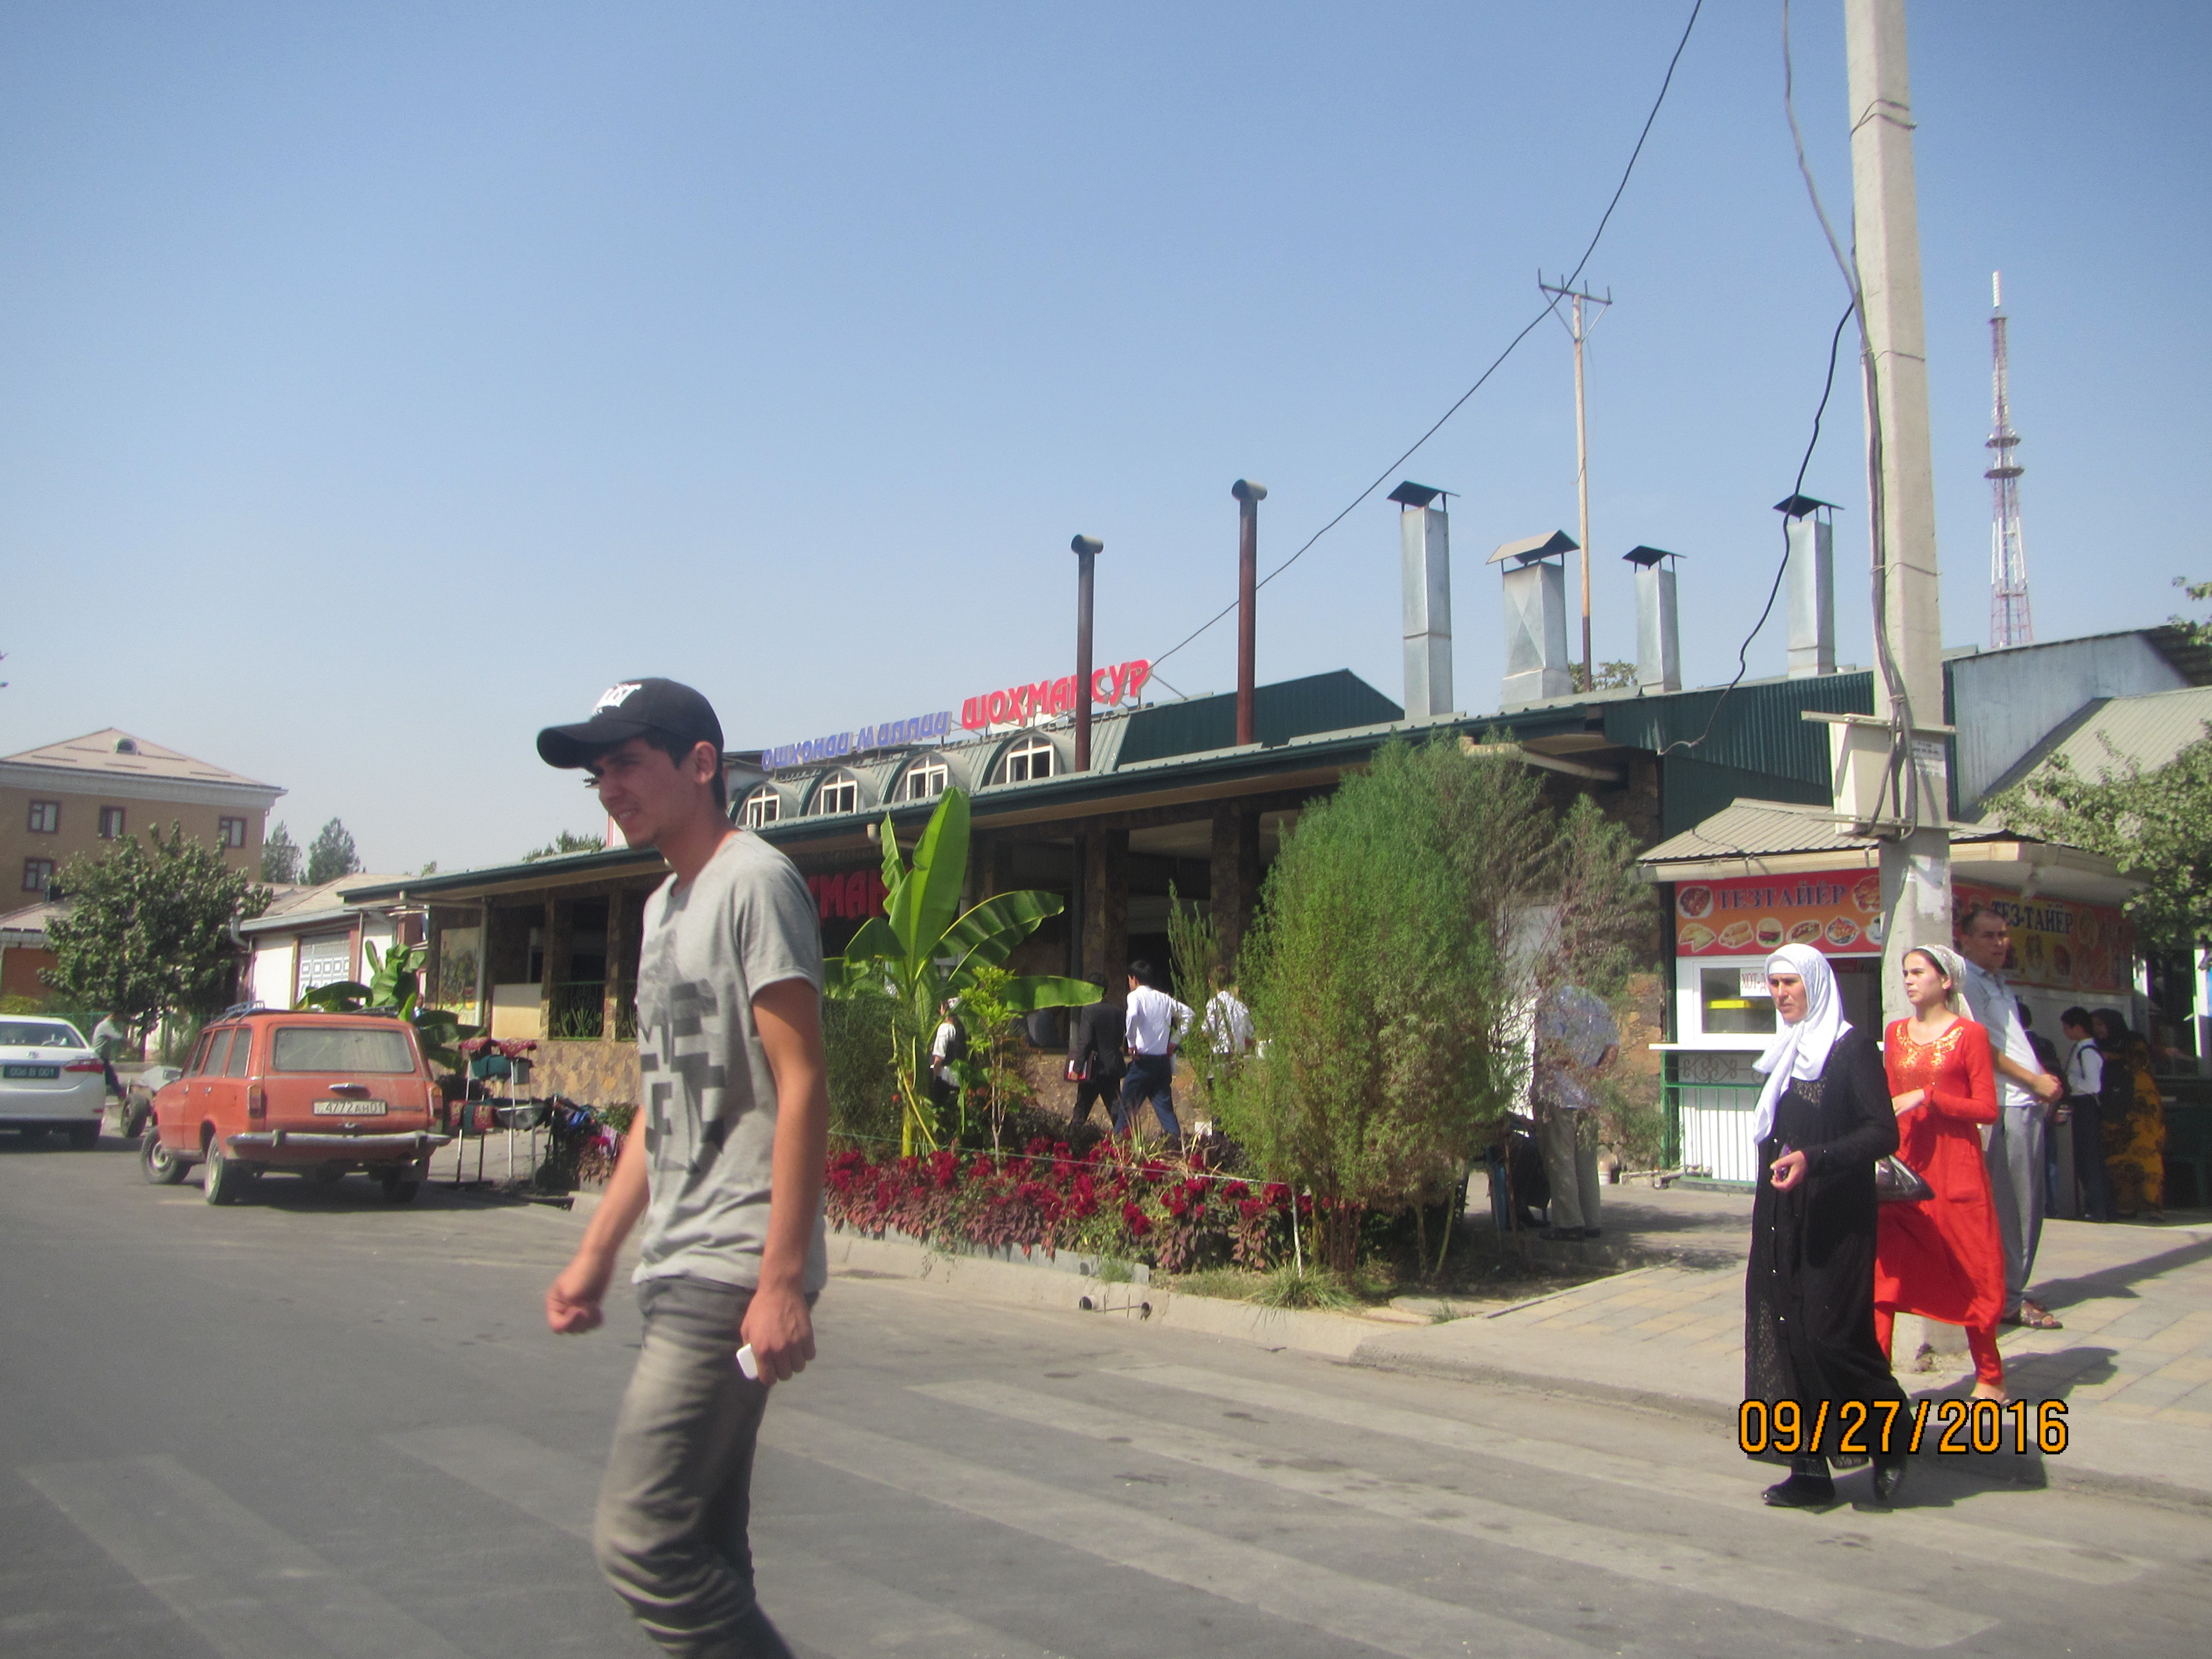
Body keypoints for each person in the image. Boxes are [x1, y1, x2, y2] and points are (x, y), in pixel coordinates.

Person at [537, 678, 830, 1659]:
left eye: (627, 762)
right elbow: (663, 1104)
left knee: (642, 1537)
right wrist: (596, 1255)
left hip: (732, 1265)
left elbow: (801, 1081)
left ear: (701, 764)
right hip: (678, 1260)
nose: (609, 787)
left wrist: (779, 1281)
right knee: (704, 1542)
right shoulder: (663, 907)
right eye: (598, 773)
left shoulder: (755, 883)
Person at [1744, 943, 1909, 1508]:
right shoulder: (1786, 1050)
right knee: (1786, 1332)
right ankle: (1809, 1469)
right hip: (1781, 1215)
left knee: (1830, 1335)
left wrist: (1814, 1159)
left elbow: (1882, 1132)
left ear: (1815, 983)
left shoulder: (1850, 1049)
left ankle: (1892, 1438)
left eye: (1791, 983)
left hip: (1835, 1217)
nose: (1782, 994)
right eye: (1774, 984)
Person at [1874, 947, 2006, 1402]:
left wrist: (1929, 1097)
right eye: (1905, 973)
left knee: (1972, 1267)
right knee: (1886, 1272)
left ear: (1946, 980)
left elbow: (1987, 1109)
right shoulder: (1895, 1033)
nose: (1909, 980)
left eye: (1918, 972)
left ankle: (1990, 1375)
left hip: (1956, 1169)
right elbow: (1889, 1099)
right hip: (1905, 1169)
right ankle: (1876, 1381)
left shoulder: (1970, 1035)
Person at [1954, 906, 2065, 1330]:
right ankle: (2009, 1298)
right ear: (1965, 940)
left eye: (2002, 935)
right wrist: (2033, 1081)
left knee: (2027, 1205)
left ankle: (2011, 1289)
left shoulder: (1996, 982)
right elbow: (1981, 1046)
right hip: (2005, 1103)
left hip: (2024, 1102)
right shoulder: (1969, 983)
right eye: (1989, 935)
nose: (1999, 943)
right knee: (2014, 1207)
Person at [1531, 983, 1619, 1242]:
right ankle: (1592, 1221)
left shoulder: (1552, 1001)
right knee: (1586, 1160)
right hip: (1589, 1098)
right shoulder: (1599, 1003)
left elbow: (1554, 1046)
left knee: (1561, 1159)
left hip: (1559, 1094)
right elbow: (1612, 1047)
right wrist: (1598, 1075)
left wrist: (1578, 1074)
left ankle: (1569, 1224)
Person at [2092, 1008, 2166, 1222]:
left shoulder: (2133, 1041)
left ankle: (2154, 1205)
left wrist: (2111, 1058)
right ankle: (2126, 1205)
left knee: (2146, 1156)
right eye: (2095, 1026)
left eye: (2101, 1024)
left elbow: (2139, 1063)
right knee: (2119, 1158)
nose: (2098, 1030)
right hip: (2114, 1109)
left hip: (2141, 1110)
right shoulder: (2097, 1046)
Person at [1116, 959, 1191, 1140]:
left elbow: (1132, 1014)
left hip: (1143, 1062)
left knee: (1127, 1109)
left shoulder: (1135, 996)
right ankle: (1177, 1145)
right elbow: (1189, 1014)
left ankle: (1116, 1146)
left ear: (1134, 979)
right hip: (1162, 1062)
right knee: (1165, 1110)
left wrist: (1131, 1043)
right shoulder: (1165, 998)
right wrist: (1174, 1041)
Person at [2059, 1007, 2115, 1223]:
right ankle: (2096, 1206)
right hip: (2081, 1106)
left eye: (2067, 1028)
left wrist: (2070, 1081)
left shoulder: (2088, 1052)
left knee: (2090, 1158)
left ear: (2078, 1028)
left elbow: (2093, 1085)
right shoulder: (2080, 1049)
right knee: (2084, 1157)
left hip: (2087, 1106)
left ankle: (2099, 1208)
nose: (2065, 1032)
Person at [1066, 997, 1126, 1133]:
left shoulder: (1089, 1010)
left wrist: (1077, 1068)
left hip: (1093, 1068)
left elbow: (1085, 1041)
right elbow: (1119, 1039)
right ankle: (1125, 1139)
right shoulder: (1118, 1011)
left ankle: (1071, 1140)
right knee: (1116, 1110)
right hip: (1112, 1066)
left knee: (1081, 1110)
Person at [930, 1000, 964, 1123]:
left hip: (942, 1078)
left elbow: (939, 1058)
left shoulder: (944, 1029)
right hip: (956, 1079)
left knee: (938, 1115)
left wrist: (932, 1079)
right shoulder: (961, 1029)